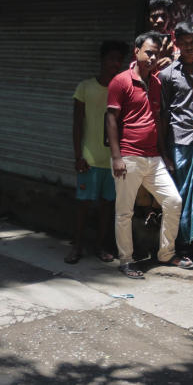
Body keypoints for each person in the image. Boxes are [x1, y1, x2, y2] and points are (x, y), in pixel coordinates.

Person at [107, 31, 193, 278]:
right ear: (136, 52)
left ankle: (166, 253)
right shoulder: (120, 82)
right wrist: (116, 157)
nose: (153, 58)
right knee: (124, 212)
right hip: (129, 157)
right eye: (149, 52)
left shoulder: (155, 83)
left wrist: (164, 154)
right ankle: (126, 260)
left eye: (156, 53)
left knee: (173, 201)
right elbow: (111, 119)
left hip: (154, 158)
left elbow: (156, 120)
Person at [66, 40, 127, 264]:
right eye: (111, 58)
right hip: (89, 159)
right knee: (83, 206)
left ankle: (101, 247)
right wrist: (77, 156)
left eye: (119, 60)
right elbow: (77, 124)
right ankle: (77, 247)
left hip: (112, 160)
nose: (115, 63)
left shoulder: (121, 89)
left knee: (107, 207)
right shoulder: (85, 87)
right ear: (102, 60)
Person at [159, 22, 193, 256]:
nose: (189, 46)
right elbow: (162, 113)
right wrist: (162, 148)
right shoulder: (167, 74)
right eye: (185, 43)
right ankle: (180, 245)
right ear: (177, 43)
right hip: (179, 138)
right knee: (181, 194)